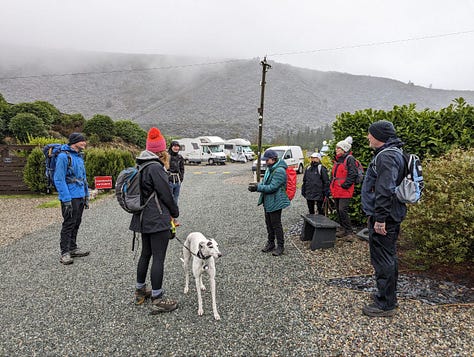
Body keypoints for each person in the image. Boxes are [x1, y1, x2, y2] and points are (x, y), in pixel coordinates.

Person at [130, 127, 180, 314]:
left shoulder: (141, 165)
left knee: (146, 254)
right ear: (161, 149)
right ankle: (158, 298)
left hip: (143, 218)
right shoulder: (155, 167)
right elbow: (166, 195)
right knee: (159, 256)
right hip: (156, 219)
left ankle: (140, 290)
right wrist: (174, 213)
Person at [361, 120, 407, 317]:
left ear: (379, 136)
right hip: (391, 214)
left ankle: (385, 304)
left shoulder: (386, 156)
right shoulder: (394, 153)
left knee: (383, 259)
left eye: (371, 134)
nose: (368, 137)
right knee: (389, 257)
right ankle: (387, 296)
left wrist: (380, 219)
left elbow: (385, 189)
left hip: (385, 217)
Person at [54, 132, 90, 265]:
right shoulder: (63, 157)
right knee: (69, 223)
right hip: (70, 196)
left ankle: (73, 248)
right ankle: (65, 253)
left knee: (77, 222)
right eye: (82, 141)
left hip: (80, 195)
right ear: (75, 142)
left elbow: (83, 178)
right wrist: (66, 199)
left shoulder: (79, 157)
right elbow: (59, 178)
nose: (84, 143)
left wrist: (86, 195)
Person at [248, 149, 290, 256]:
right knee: (269, 223)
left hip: (276, 201)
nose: (265, 162)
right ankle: (271, 243)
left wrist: (257, 187)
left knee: (276, 224)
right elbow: (265, 183)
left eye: (267, 160)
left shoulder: (280, 170)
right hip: (268, 200)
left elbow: (272, 187)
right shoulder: (269, 169)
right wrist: (257, 185)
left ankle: (280, 246)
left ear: (274, 159)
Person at [329, 136, 358, 241]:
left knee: (342, 210)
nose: (336, 150)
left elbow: (353, 174)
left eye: (338, 148)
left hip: (345, 190)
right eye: (336, 148)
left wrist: (345, 185)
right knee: (338, 210)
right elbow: (333, 175)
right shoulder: (337, 160)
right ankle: (343, 229)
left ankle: (349, 231)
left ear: (344, 149)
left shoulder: (349, 159)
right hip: (336, 189)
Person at [168, 140, 185, 225]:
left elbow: (182, 169)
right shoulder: (167, 156)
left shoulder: (180, 157)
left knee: (175, 201)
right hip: (169, 181)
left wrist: (181, 179)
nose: (176, 147)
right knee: (168, 200)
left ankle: (173, 220)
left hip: (177, 181)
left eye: (177, 146)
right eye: (174, 146)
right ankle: (168, 220)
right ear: (171, 147)